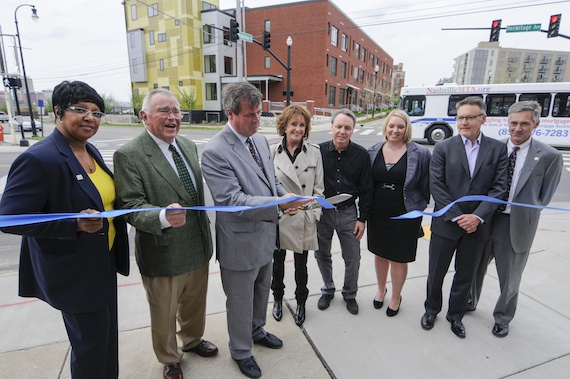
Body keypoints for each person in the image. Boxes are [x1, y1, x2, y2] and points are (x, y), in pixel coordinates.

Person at [0, 81, 130, 378]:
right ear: (58, 112)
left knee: (105, 342)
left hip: (102, 263)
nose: (90, 118)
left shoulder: (90, 150)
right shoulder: (39, 158)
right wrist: (73, 224)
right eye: (80, 110)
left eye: (97, 113)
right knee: (90, 350)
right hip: (74, 273)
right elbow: (8, 219)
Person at [201, 82, 309, 379]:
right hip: (239, 241)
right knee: (239, 300)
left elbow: (270, 180)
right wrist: (278, 203)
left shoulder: (259, 141)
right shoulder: (215, 151)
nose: (257, 120)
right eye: (250, 115)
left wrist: (284, 198)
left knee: (262, 290)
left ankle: (256, 330)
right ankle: (241, 350)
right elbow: (232, 201)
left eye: (259, 112)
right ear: (230, 113)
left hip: (264, 234)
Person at [113, 89, 216, 379]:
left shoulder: (186, 144)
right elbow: (131, 206)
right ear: (144, 116)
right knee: (164, 312)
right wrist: (161, 216)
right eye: (163, 111)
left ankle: (193, 339)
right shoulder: (129, 154)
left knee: (195, 303)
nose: (172, 117)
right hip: (163, 247)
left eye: (175, 111)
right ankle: (170, 357)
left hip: (197, 243)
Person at [470, 101, 563, 338]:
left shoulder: (549, 156)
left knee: (510, 276)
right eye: (514, 123)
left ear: (536, 124)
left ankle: (503, 317)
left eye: (524, 123)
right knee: (474, 266)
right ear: (507, 123)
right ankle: (469, 302)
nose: (518, 128)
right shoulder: (494, 149)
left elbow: (544, 197)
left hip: (516, 225)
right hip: (487, 220)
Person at [421, 96, 508, 339]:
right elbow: (436, 185)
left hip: (476, 228)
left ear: (483, 119)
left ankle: (455, 315)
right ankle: (431, 309)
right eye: (460, 117)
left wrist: (477, 217)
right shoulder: (443, 147)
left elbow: (499, 188)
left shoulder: (497, 149)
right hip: (446, 224)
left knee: (465, 274)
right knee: (436, 272)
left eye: (470, 117)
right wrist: (459, 216)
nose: (464, 122)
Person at [367, 109, 431, 317]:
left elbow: (425, 185)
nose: (395, 130)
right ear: (385, 127)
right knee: (380, 254)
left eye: (400, 127)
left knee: (399, 258)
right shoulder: (373, 150)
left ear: (407, 129)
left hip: (405, 214)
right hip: (378, 213)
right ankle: (380, 289)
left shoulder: (419, 153)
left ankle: (395, 296)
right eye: (391, 126)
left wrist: (418, 210)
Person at [270, 104, 325, 327]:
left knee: (301, 266)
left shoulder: (315, 153)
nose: (298, 129)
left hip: (303, 218)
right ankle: (278, 299)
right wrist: (278, 208)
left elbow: (319, 190)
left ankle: (301, 301)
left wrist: (312, 215)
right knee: (277, 264)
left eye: (302, 125)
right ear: (284, 126)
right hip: (280, 218)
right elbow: (267, 187)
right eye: (293, 124)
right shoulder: (271, 151)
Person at [315, 108, 373, 315]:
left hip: (349, 213)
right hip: (323, 213)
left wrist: (362, 219)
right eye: (338, 126)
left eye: (347, 128)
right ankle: (328, 289)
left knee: (353, 257)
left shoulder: (361, 155)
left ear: (353, 130)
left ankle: (350, 294)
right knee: (322, 253)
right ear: (331, 127)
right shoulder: (318, 151)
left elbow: (367, 189)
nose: (342, 131)